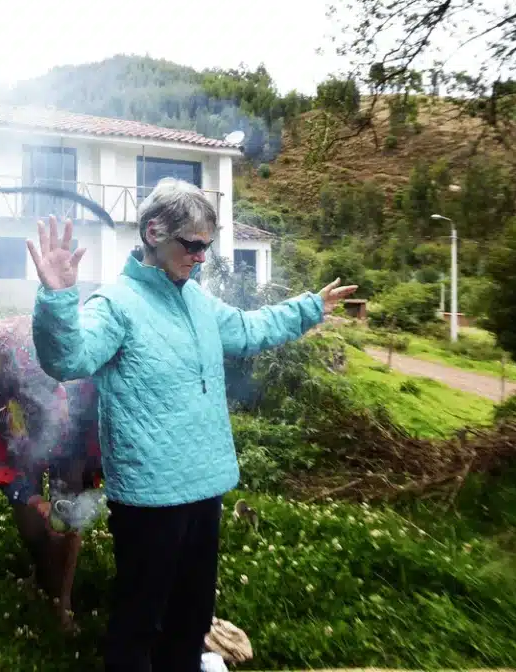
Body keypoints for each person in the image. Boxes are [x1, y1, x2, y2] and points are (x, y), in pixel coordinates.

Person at [26, 178, 357, 672]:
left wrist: (308, 309)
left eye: (208, 245)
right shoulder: (116, 305)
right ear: (154, 231)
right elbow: (69, 358)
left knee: (192, 614)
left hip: (205, 485)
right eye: (194, 245)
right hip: (150, 497)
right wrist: (56, 299)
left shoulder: (196, 300)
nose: (202, 257)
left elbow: (248, 329)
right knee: (141, 619)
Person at [0, 315, 102, 631]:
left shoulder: (88, 373)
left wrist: (67, 500)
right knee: (31, 518)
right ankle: (41, 571)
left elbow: (89, 437)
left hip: (74, 433)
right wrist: (32, 498)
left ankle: (61, 602)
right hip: (18, 429)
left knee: (69, 513)